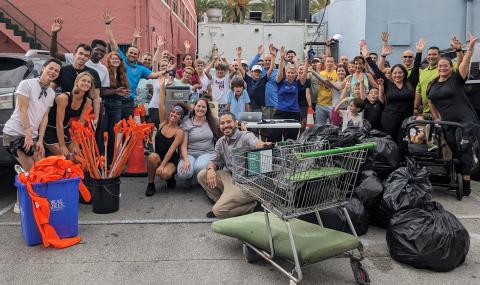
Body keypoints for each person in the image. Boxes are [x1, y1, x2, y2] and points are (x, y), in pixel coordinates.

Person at [2, 58, 61, 213]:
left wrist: (40, 139)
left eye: (56, 71)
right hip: (15, 133)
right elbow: (22, 109)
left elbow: (44, 117)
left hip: (32, 135)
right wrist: (28, 134)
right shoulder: (26, 84)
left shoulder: (51, 92)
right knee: (32, 170)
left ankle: (26, 202)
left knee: (40, 167)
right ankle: (20, 204)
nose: (53, 72)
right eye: (51, 68)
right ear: (43, 68)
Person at [427, 34, 478, 196]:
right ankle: (459, 178)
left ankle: (467, 184)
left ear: (451, 68)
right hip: (448, 123)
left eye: (446, 66)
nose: (442, 68)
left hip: (466, 121)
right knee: (455, 152)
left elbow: (465, 62)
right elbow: (431, 102)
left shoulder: (456, 79)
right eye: (440, 66)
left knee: (464, 150)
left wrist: (469, 48)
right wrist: (437, 118)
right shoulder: (433, 84)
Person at [197, 112, 271, 218]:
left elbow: (255, 142)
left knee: (218, 211)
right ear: (220, 126)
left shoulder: (245, 136)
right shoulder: (220, 142)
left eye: (228, 122)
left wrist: (261, 144)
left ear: (236, 123)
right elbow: (213, 161)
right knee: (202, 175)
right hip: (232, 178)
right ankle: (223, 202)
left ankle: (254, 206)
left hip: (248, 185)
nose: (225, 125)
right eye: (222, 123)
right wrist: (210, 169)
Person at [362, 38, 424, 141]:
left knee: (404, 141)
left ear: (404, 73)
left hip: (406, 119)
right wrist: (367, 57)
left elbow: (416, 67)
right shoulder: (388, 84)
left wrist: (419, 52)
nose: (397, 75)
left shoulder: (411, 83)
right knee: (390, 141)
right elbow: (377, 71)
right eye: (395, 73)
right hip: (389, 118)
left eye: (400, 73)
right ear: (391, 75)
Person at [103, 10, 161, 120]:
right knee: (115, 126)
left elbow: (154, 74)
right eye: (130, 53)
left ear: (138, 56)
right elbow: (112, 42)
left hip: (129, 102)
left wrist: (166, 70)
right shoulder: (122, 60)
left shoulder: (140, 68)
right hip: (115, 99)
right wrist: (107, 25)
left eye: (135, 54)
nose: (132, 55)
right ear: (126, 54)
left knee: (128, 127)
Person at [145, 77, 188, 196]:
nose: (174, 114)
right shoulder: (163, 122)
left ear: (181, 117)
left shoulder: (179, 132)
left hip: (171, 160)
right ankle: (150, 184)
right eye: (173, 112)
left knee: (164, 174)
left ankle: (170, 178)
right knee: (151, 157)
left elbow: (171, 150)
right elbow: (161, 103)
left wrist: (163, 165)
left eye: (178, 114)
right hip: (158, 156)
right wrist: (162, 86)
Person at [50, 17, 110, 90]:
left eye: (103, 52)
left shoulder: (100, 70)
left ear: (88, 57)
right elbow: (54, 53)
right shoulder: (75, 59)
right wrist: (54, 33)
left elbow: (100, 92)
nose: (82, 57)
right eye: (98, 50)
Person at [44, 72, 93, 157]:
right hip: (50, 129)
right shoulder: (64, 98)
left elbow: (80, 125)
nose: (86, 83)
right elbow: (59, 122)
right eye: (83, 80)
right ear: (77, 82)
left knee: (78, 158)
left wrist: (76, 144)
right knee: (67, 157)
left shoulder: (88, 102)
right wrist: (62, 145)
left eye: (89, 82)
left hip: (65, 129)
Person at [52, 44, 101, 126]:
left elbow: (96, 97)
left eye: (86, 55)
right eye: (80, 53)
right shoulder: (63, 70)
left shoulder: (93, 73)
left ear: (88, 58)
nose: (82, 57)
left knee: (80, 137)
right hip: (64, 110)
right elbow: (50, 89)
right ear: (74, 54)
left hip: (83, 112)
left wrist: (96, 117)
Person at [177, 98, 221, 184]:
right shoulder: (187, 123)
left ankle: (202, 179)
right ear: (194, 107)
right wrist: (186, 160)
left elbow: (227, 120)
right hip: (190, 153)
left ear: (207, 109)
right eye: (199, 106)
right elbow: (183, 145)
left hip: (207, 153)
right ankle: (190, 175)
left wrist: (240, 123)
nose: (200, 109)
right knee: (183, 173)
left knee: (199, 167)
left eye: (203, 107)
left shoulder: (212, 121)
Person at [416, 37, 464, 114]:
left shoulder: (446, 68)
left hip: (444, 111)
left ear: (440, 55)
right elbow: (418, 91)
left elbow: (461, 65)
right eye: (429, 54)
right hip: (427, 112)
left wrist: (458, 50)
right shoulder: (422, 72)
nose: (431, 56)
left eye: (434, 54)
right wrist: (415, 107)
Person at [271, 47, 307, 142]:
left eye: (292, 73)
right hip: (281, 111)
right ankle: (274, 153)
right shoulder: (280, 81)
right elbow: (279, 72)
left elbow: (303, 74)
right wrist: (282, 58)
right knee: (274, 135)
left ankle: (289, 155)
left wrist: (304, 59)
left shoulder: (297, 83)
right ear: (286, 73)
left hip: (294, 112)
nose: (290, 74)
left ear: (295, 74)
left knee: (290, 138)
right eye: (288, 72)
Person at [101, 51, 130, 163]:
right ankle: (102, 158)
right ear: (109, 60)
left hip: (117, 104)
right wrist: (116, 91)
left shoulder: (122, 73)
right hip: (105, 103)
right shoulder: (105, 71)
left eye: (117, 59)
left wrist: (124, 92)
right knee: (103, 131)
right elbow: (102, 92)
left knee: (114, 132)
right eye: (113, 59)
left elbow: (124, 89)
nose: (115, 61)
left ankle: (111, 161)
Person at [248, 44, 279, 119]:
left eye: (270, 60)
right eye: (266, 60)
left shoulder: (277, 72)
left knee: (275, 126)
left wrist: (274, 55)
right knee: (263, 127)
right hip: (263, 103)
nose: (268, 62)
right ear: (263, 61)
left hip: (274, 102)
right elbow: (250, 67)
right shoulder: (260, 71)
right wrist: (258, 54)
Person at [315, 56, 338, 125]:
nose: (329, 63)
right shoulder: (321, 73)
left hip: (333, 105)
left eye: (331, 62)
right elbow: (317, 83)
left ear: (334, 63)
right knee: (319, 127)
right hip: (320, 104)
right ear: (325, 63)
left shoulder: (337, 73)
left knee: (333, 127)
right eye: (328, 61)